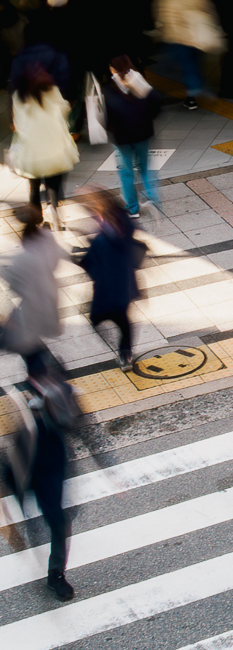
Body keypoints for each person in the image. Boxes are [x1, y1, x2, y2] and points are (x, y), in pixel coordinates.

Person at [3, 360, 81, 599]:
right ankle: (17, 529)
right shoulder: (26, 407)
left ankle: (55, 574)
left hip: (50, 469)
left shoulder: (62, 397)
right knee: (29, 517)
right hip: (21, 467)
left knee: (59, 521)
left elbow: (79, 427)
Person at [78, 189, 143, 369]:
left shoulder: (102, 238)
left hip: (107, 288)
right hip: (126, 285)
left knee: (98, 317)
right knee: (123, 320)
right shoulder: (123, 223)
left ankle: (123, 352)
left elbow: (91, 265)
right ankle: (125, 354)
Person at [8, 66, 78, 229]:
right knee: (53, 186)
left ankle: (37, 218)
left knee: (33, 188)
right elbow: (64, 109)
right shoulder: (51, 90)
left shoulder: (19, 96)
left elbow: (18, 124)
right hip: (55, 149)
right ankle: (53, 211)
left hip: (33, 153)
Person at [5, 202, 66, 381]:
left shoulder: (21, 259)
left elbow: (14, 285)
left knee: (25, 343)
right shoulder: (47, 236)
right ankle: (44, 373)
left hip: (33, 304)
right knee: (29, 340)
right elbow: (56, 261)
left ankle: (42, 381)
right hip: (50, 293)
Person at [104, 55, 165, 216]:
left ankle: (133, 208)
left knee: (126, 172)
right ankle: (153, 199)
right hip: (143, 133)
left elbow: (106, 117)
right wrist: (147, 119)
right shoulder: (140, 83)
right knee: (145, 168)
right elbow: (157, 103)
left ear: (112, 70)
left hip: (122, 139)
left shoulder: (110, 91)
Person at [153, 0, 223, 108]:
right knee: (192, 66)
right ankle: (195, 94)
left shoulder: (166, 0)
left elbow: (165, 23)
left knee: (165, 68)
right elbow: (210, 15)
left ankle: (196, 94)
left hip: (177, 40)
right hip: (197, 40)